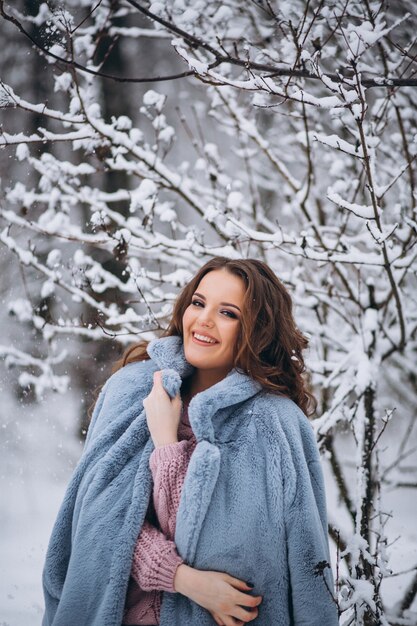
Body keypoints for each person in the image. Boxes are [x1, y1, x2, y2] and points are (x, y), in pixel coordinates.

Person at [41, 256, 339, 626]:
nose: (204, 320)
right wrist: (185, 579)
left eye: (228, 313)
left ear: (257, 330)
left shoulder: (274, 425)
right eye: (198, 303)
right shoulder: (132, 391)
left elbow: (308, 566)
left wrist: (167, 446)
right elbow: (95, 523)